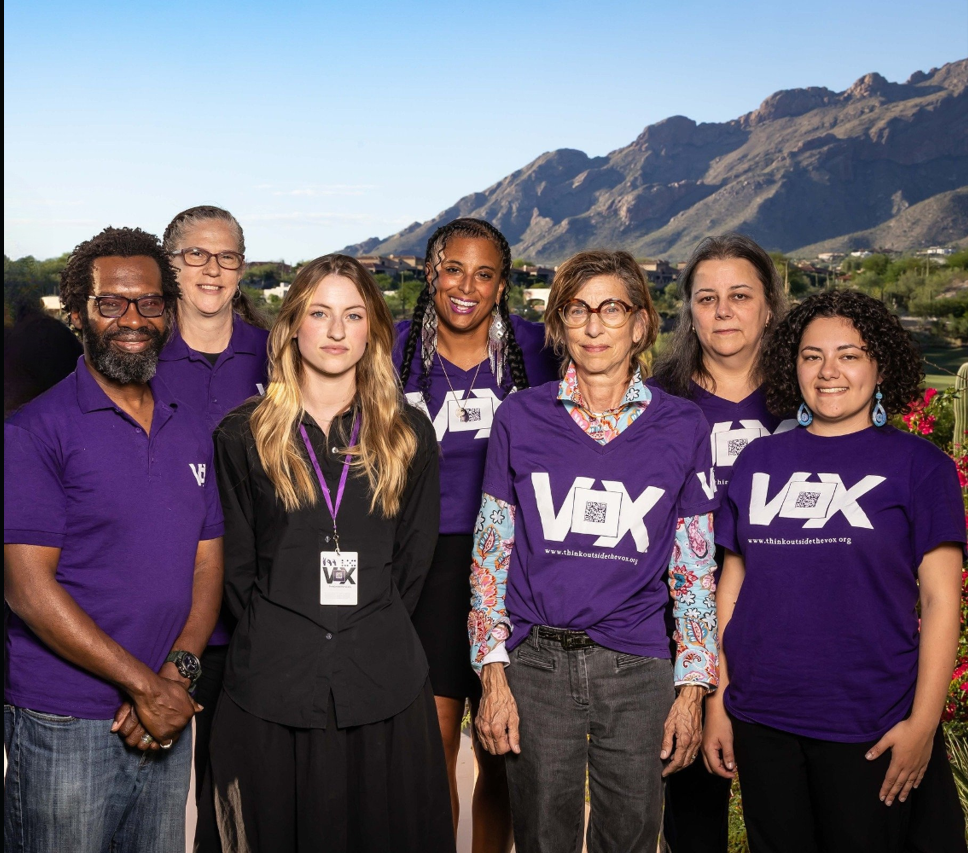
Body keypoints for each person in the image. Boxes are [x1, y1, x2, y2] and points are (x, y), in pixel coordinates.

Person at [199, 254, 454, 852]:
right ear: (292, 326)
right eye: (320, 313)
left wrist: (362, 624)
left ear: (373, 331)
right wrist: (292, 626)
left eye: (353, 315)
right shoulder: (242, 434)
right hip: (273, 682)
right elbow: (234, 571)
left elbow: (413, 564)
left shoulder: (410, 435)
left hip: (382, 682)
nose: (337, 332)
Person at [471, 250, 721, 853]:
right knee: (540, 838)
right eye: (577, 310)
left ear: (640, 323)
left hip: (638, 668)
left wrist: (692, 691)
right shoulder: (520, 418)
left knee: (632, 839)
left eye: (611, 308)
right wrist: (493, 673)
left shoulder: (684, 426)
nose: (593, 325)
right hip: (536, 666)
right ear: (558, 325)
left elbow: (693, 572)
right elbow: (490, 555)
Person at [703, 289, 967, 853]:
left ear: (880, 364)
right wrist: (720, 700)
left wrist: (923, 725)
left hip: (868, 722)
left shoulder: (922, 467)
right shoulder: (758, 462)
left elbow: (943, 601)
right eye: (811, 355)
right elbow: (733, 587)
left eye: (849, 354)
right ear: (791, 364)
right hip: (762, 715)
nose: (828, 371)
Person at [4, 226, 224, 853]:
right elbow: (27, 591)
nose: (133, 318)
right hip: (63, 721)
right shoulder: (35, 432)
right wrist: (146, 688)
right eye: (111, 303)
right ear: (78, 314)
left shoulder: (191, 428)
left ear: (169, 312)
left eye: (149, 302)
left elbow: (207, 565)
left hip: (163, 715)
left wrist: (174, 678)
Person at [394, 217, 559, 851]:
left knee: (501, 746)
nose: (466, 285)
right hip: (426, 566)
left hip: (516, 566)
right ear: (430, 272)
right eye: (453, 268)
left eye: (484, 273)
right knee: (433, 740)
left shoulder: (538, 350)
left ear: (502, 285)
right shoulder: (394, 347)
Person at [652, 233, 794, 853]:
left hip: (783, 622)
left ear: (770, 306)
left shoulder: (812, 397)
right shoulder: (657, 402)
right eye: (707, 298)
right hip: (676, 624)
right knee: (691, 811)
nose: (723, 311)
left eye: (740, 295)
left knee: (784, 807)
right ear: (689, 312)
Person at [157, 205, 269, 804]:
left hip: (249, 610)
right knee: (150, 788)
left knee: (231, 797)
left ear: (241, 269)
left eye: (226, 256)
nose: (211, 268)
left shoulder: (275, 355)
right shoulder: (138, 354)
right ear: (170, 264)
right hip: (162, 609)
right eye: (195, 254)